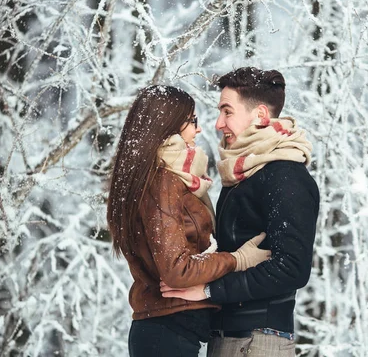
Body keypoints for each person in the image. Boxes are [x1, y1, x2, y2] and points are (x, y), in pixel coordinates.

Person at [161, 68, 320, 356]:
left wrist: (211, 290)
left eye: (227, 111)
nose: (218, 123)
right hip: (232, 339)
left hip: (257, 340)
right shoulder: (244, 175)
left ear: (259, 115)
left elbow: (292, 268)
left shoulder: (284, 175)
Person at [106, 85, 271, 357]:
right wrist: (237, 259)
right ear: (169, 125)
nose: (199, 129)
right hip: (167, 333)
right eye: (192, 121)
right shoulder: (163, 181)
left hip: (168, 331)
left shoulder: (157, 178)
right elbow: (176, 270)